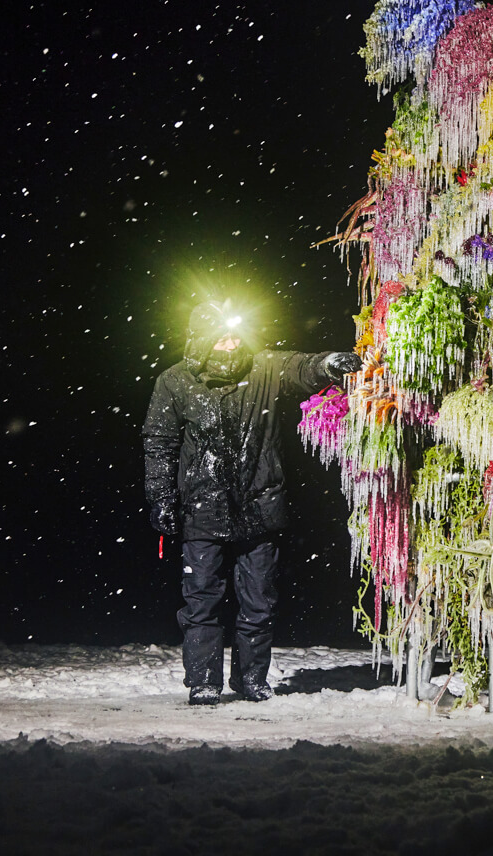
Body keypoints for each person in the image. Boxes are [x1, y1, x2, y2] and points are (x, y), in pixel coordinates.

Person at [141, 298, 362, 705]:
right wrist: (161, 498)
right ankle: (204, 681)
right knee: (201, 601)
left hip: (260, 508)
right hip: (202, 510)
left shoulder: (263, 368)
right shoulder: (174, 382)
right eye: (220, 336)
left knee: (259, 601)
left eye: (233, 334)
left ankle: (251, 679)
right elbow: (160, 443)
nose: (229, 342)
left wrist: (328, 363)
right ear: (203, 339)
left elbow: (300, 366)